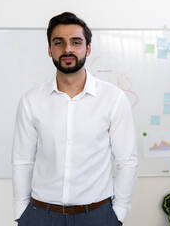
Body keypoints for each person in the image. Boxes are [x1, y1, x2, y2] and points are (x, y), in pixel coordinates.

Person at [12, 12, 138, 226]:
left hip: (97, 215)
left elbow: (127, 160)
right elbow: (23, 160)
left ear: (87, 48)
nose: (67, 49)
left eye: (76, 42)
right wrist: (22, 211)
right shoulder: (31, 101)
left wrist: (118, 213)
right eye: (58, 43)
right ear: (50, 49)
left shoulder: (113, 99)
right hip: (41, 214)